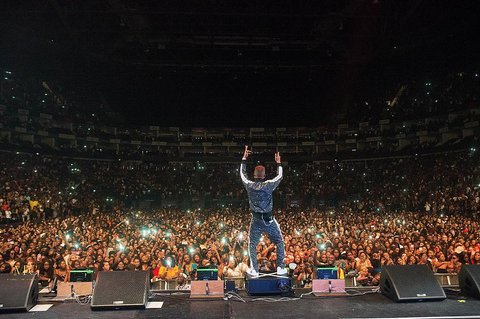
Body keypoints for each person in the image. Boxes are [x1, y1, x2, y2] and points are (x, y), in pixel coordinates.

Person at [240, 145, 285, 277]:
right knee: (279, 242)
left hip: (256, 220)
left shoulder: (249, 185)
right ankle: (281, 267)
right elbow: (280, 176)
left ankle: (254, 269)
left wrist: (244, 159)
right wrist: (278, 163)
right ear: (264, 175)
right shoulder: (269, 185)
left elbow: (242, 174)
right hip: (269, 220)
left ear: (254, 175)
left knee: (252, 244)